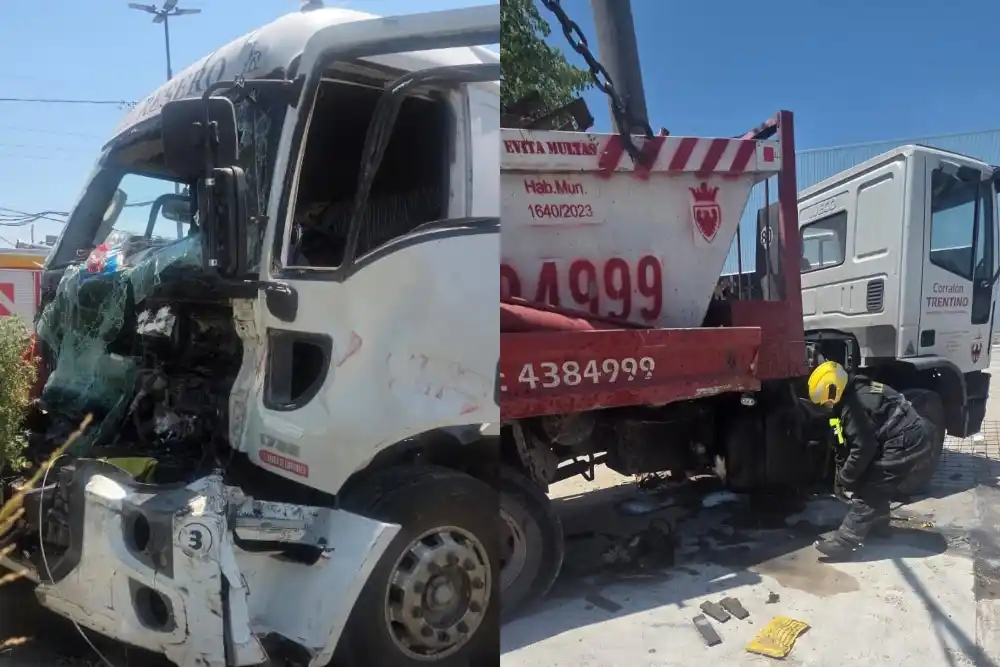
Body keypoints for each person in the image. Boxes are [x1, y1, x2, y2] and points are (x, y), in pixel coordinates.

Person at [805, 360, 933, 558]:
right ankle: (879, 524)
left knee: (872, 488)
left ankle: (845, 542)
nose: (826, 407)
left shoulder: (857, 406)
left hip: (907, 440)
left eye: (827, 402)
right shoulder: (847, 397)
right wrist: (843, 473)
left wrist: (846, 478)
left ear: (833, 390)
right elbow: (843, 442)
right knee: (870, 478)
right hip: (901, 436)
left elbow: (863, 448)